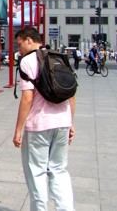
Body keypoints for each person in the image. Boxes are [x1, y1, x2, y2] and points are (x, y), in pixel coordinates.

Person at [13, 26, 75, 211]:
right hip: (63, 122)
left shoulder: (28, 61)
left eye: (20, 44)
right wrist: (71, 122)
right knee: (59, 170)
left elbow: (27, 98)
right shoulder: (60, 58)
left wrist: (18, 129)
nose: (19, 49)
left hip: (39, 125)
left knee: (37, 172)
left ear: (29, 40)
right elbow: (71, 93)